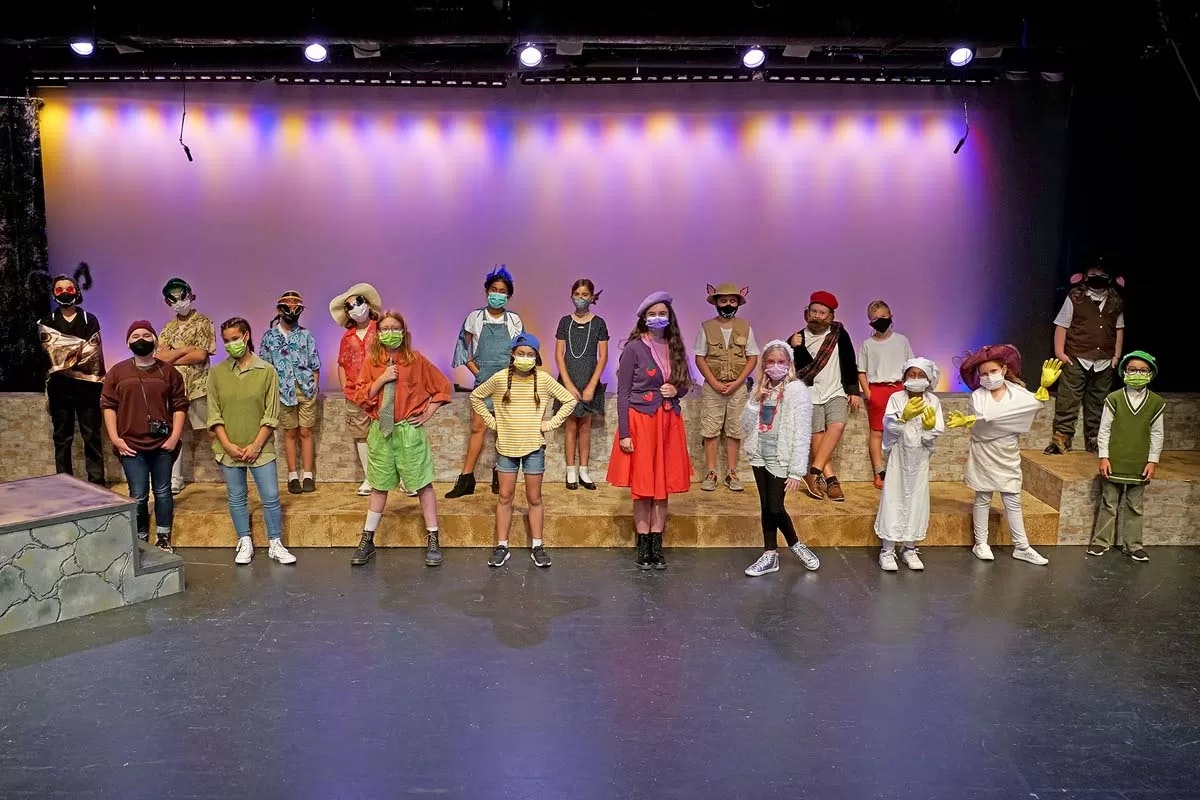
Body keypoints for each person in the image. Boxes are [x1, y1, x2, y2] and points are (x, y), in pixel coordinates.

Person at [348, 311, 452, 566]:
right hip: (382, 431)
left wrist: (427, 413)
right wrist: (382, 378)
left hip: (408, 432)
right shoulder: (372, 362)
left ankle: (433, 537)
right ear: (378, 333)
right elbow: (361, 396)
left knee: (423, 484)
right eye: (385, 328)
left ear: (404, 332)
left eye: (395, 328)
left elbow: (442, 387)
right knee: (379, 486)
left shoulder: (416, 360)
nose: (390, 333)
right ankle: (367, 539)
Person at [947, 345, 1061, 565]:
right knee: (983, 497)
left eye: (993, 371)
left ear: (1004, 369)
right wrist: (978, 420)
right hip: (984, 451)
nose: (989, 377)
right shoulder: (977, 397)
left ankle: (1022, 547)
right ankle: (981, 543)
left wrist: (1043, 388)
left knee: (1012, 498)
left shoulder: (1018, 393)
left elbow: (1030, 408)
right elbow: (986, 423)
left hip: (1007, 451)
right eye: (984, 374)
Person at [471, 333, 577, 568]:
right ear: (512, 354)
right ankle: (502, 545)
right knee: (505, 497)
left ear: (536, 357)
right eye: (521, 353)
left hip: (534, 448)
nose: (525, 358)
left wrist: (549, 424)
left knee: (534, 498)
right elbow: (476, 396)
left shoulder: (544, 379)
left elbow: (569, 401)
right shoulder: (500, 379)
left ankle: (537, 545)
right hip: (506, 447)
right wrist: (493, 423)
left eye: (530, 354)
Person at [606, 292, 694, 570]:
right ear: (644, 318)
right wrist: (624, 433)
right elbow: (622, 393)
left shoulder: (675, 346)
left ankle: (657, 545)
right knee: (643, 487)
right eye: (652, 314)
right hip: (641, 422)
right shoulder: (634, 348)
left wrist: (676, 390)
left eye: (662, 314)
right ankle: (643, 544)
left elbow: (685, 383)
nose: (658, 318)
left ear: (670, 317)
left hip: (668, 423)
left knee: (661, 488)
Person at [208, 317, 297, 565]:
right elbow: (214, 413)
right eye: (226, 341)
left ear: (246, 336)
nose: (230, 344)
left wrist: (257, 445)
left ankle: (275, 543)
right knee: (237, 496)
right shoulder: (216, 373)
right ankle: (244, 540)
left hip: (261, 446)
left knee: (270, 496)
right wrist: (227, 445)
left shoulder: (267, 371)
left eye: (235, 339)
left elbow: (271, 413)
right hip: (229, 447)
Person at [100, 321, 188, 552]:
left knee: (163, 491)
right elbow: (108, 406)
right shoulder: (117, 372)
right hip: (130, 446)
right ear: (128, 342)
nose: (141, 339)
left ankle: (163, 537)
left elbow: (180, 406)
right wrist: (115, 439)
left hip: (162, 445)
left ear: (155, 340)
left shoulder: (169, 372)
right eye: (136, 335)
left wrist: (174, 438)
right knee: (138, 495)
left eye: (147, 335)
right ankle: (140, 539)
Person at [739, 340, 822, 577]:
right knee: (766, 505)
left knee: (776, 506)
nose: (776, 366)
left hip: (780, 457)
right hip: (759, 453)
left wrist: (796, 471)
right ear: (764, 364)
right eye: (771, 361)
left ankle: (796, 544)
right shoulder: (759, 388)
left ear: (789, 364)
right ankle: (770, 554)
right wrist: (755, 401)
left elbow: (802, 432)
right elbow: (745, 426)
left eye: (781, 362)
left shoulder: (797, 391)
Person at [330, 282, 414, 497]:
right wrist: (345, 388)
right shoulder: (347, 338)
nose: (355, 308)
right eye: (349, 306)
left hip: (383, 390)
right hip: (356, 394)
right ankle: (370, 478)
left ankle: (404, 478)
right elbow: (342, 363)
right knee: (362, 435)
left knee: (391, 433)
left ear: (367, 304)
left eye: (358, 302)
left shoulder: (381, 330)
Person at [448, 265, 524, 498]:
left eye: (502, 291)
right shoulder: (474, 318)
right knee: (477, 427)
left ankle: (499, 474)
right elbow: (464, 348)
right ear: (486, 291)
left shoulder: (514, 320)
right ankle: (466, 479)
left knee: (504, 430)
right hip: (483, 381)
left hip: (507, 381)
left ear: (508, 295)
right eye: (494, 290)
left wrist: (512, 378)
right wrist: (477, 373)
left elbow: (521, 352)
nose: (497, 294)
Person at [1089, 351, 1165, 563]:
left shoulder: (1156, 402)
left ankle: (1133, 545)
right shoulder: (1114, 399)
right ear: (1124, 372)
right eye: (1132, 370)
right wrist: (1104, 457)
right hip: (1115, 459)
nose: (1137, 374)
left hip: (1139, 462)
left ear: (1150, 374)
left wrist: (1152, 460)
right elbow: (1104, 430)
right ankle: (1101, 541)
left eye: (1142, 370)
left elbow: (1157, 434)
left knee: (1135, 505)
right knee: (1109, 502)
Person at [1046, 259, 1126, 454]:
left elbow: (1119, 329)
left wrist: (1116, 355)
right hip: (1076, 356)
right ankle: (1062, 438)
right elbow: (1062, 325)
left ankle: (1095, 439)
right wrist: (1060, 353)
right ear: (1084, 277)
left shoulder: (1115, 301)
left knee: (1099, 400)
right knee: (1068, 399)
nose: (1098, 278)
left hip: (1104, 360)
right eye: (1093, 275)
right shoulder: (1076, 298)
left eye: (1102, 276)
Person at [873, 357, 944, 572]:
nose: (915, 378)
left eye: (920, 375)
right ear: (904, 377)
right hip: (899, 456)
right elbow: (889, 427)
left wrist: (929, 428)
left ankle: (909, 548)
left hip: (920, 459)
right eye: (911, 375)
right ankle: (887, 550)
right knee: (893, 497)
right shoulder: (896, 398)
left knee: (916, 499)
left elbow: (933, 433)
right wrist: (902, 418)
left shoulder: (933, 401)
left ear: (929, 378)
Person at [789, 291, 861, 502]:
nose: (817, 316)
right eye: (814, 312)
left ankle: (813, 472)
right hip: (809, 393)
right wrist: (793, 346)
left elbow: (849, 361)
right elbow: (795, 366)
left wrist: (853, 390)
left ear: (830, 315)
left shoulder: (839, 334)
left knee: (837, 425)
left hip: (835, 390)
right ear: (807, 313)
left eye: (822, 313)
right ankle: (830, 479)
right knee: (817, 434)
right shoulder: (797, 337)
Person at [38, 274, 106, 484]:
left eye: (69, 289)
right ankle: (64, 484)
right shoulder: (46, 322)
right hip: (59, 389)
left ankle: (97, 483)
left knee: (92, 436)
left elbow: (93, 355)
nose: (65, 293)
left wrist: (64, 352)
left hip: (88, 389)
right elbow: (51, 354)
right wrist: (80, 349)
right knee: (62, 438)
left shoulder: (89, 319)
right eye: (59, 290)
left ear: (77, 291)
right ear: (53, 294)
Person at [694, 282, 759, 492]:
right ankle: (711, 472)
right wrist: (713, 382)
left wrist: (738, 382)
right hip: (712, 387)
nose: (728, 304)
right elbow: (700, 357)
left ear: (738, 303)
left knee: (734, 430)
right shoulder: (706, 327)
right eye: (723, 301)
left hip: (737, 387)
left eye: (732, 300)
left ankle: (732, 472)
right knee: (710, 429)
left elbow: (752, 357)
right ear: (716, 303)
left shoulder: (745, 327)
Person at [156, 277, 216, 495]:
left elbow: (201, 355)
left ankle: (230, 471)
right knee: (174, 433)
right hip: (174, 389)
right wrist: (185, 350)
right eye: (172, 298)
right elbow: (160, 358)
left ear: (190, 295)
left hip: (199, 387)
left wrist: (174, 354)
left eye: (181, 295)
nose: (178, 301)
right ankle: (175, 478)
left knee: (213, 429)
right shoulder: (168, 328)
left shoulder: (204, 322)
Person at [259, 291, 322, 494]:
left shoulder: (306, 335)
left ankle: (308, 474)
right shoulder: (269, 337)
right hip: (282, 391)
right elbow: (265, 367)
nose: (292, 312)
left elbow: (314, 364)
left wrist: (314, 387)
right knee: (290, 432)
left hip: (305, 389)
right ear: (279, 310)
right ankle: (292, 474)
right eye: (288, 308)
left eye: (297, 309)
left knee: (306, 431)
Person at [554, 279, 609, 490]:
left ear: (592, 297)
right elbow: (559, 355)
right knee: (570, 425)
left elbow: (603, 356)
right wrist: (567, 384)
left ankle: (584, 471)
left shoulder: (599, 323)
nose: (580, 298)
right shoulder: (564, 322)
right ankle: (570, 470)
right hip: (569, 378)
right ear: (571, 296)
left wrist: (592, 385)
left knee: (585, 426)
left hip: (589, 378)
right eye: (577, 294)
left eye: (584, 294)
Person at [857, 300, 914, 489]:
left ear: (891, 316)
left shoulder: (902, 340)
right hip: (878, 390)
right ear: (870, 322)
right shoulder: (867, 345)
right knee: (877, 432)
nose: (880, 320)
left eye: (883, 316)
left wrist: (910, 389)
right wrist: (869, 393)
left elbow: (911, 366)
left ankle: (903, 470)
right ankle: (879, 471)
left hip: (899, 389)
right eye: (875, 318)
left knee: (903, 430)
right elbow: (861, 371)